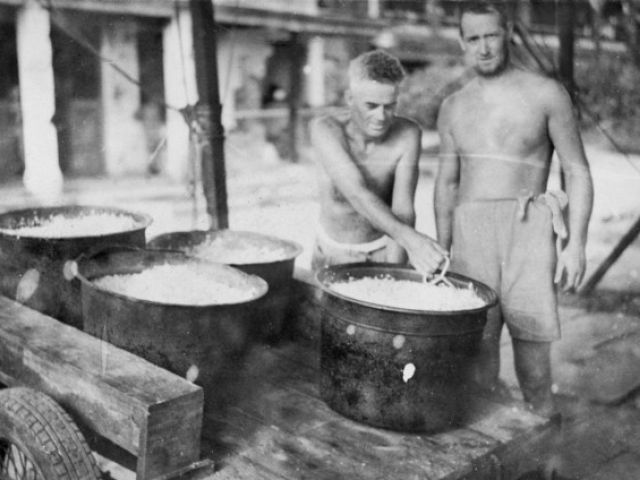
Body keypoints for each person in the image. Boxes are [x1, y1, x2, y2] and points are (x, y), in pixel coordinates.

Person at [434, 1, 594, 417]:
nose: (483, 47)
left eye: (491, 35)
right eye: (473, 39)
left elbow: (577, 171)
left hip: (527, 232)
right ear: (462, 43)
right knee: (478, 362)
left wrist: (576, 244)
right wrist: (441, 250)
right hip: (471, 236)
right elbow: (447, 183)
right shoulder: (453, 106)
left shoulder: (545, 93)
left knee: (535, 369)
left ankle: (545, 467)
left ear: (507, 34)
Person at [310, 49, 446, 274]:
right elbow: (356, 193)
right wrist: (413, 242)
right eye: (371, 106)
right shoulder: (325, 129)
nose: (381, 117)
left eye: (390, 106)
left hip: (383, 250)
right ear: (350, 99)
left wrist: (394, 273)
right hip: (331, 253)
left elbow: (403, 209)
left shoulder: (408, 134)